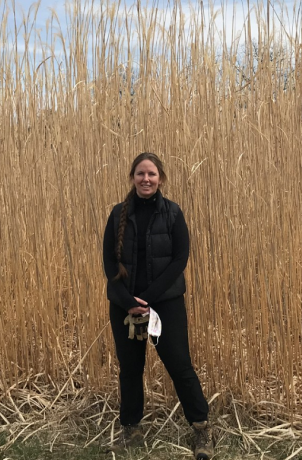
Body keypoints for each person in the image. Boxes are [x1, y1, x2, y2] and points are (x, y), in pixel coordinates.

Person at [102, 152, 211, 459]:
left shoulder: (173, 213)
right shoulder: (117, 214)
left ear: (161, 178)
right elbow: (109, 261)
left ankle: (202, 429)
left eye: (151, 174)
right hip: (124, 306)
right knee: (130, 370)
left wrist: (148, 299)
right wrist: (127, 302)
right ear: (132, 178)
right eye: (140, 174)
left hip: (165, 305)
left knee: (180, 366)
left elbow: (180, 259)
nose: (146, 179)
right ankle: (131, 428)